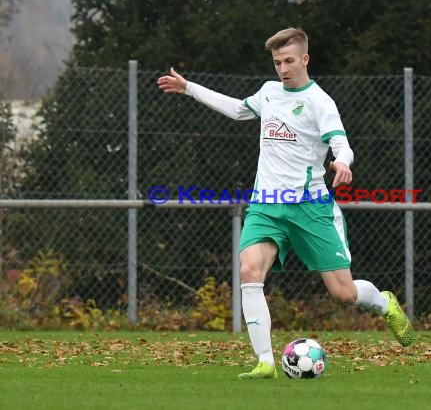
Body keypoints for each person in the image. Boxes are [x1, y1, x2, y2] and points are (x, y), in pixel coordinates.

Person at [157, 27, 416, 379]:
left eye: (290, 61)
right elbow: (236, 110)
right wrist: (189, 88)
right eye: (278, 62)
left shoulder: (319, 102)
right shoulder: (268, 93)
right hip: (266, 204)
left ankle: (385, 302)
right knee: (249, 271)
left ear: (305, 59)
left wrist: (343, 162)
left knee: (344, 292)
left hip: (310, 208)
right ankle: (264, 362)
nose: (283, 68)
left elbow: (341, 143)